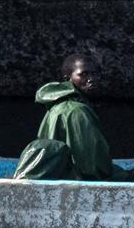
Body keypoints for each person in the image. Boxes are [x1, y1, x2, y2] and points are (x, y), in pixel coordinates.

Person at [32, 51, 126, 181]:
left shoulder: (55, 106)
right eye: (84, 74)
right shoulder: (77, 111)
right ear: (67, 78)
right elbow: (93, 166)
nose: (91, 79)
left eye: (94, 74)